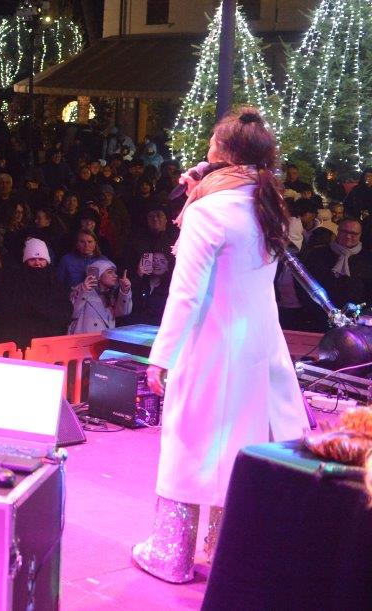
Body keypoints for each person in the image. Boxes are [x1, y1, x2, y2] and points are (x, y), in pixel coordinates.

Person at [133, 109, 309, 585]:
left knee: (189, 440)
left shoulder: (210, 210)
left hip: (211, 344)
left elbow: (186, 294)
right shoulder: (267, 203)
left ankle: (171, 553)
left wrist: (162, 356)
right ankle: (222, 550)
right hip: (259, 344)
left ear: (225, 151)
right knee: (238, 446)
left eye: (213, 140)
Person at [0, 239, 71, 349]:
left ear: (47, 261)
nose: (37, 263)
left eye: (41, 259)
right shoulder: (14, 281)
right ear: (26, 261)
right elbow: (2, 307)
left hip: (49, 340)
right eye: (32, 259)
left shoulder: (54, 281)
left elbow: (65, 309)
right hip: (20, 340)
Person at [68, 258, 132, 333]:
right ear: (98, 275)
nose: (115, 275)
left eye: (115, 272)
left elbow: (123, 312)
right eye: (110, 272)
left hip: (105, 337)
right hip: (85, 337)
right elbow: (72, 314)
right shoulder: (80, 290)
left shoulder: (111, 295)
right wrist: (84, 291)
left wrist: (124, 291)